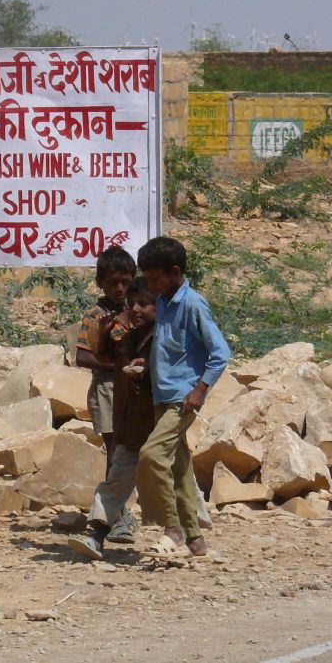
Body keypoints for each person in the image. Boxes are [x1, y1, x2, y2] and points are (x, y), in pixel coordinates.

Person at [135, 235, 231, 562]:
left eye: (154, 279)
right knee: (178, 467)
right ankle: (195, 539)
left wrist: (200, 390)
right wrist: (147, 363)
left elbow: (220, 353)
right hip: (163, 396)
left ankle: (171, 527)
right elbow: (171, 347)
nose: (151, 285)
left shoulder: (192, 304)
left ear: (174, 272)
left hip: (183, 399)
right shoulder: (163, 300)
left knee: (150, 456)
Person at [69, 276, 156, 561]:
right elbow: (94, 357)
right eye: (133, 304)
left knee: (170, 469)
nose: (135, 309)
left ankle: (186, 533)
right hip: (123, 403)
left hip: (156, 411)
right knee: (119, 462)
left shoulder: (160, 332)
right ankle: (101, 527)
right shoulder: (120, 328)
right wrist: (107, 339)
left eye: (143, 304)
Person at [73, 244, 137, 542]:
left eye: (126, 282)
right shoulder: (95, 316)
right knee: (115, 451)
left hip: (132, 389)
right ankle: (116, 515)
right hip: (108, 389)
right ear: (100, 283)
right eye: (114, 283)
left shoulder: (136, 310)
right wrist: (117, 365)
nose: (120, 288)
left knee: (130, 451)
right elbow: (83, 357)